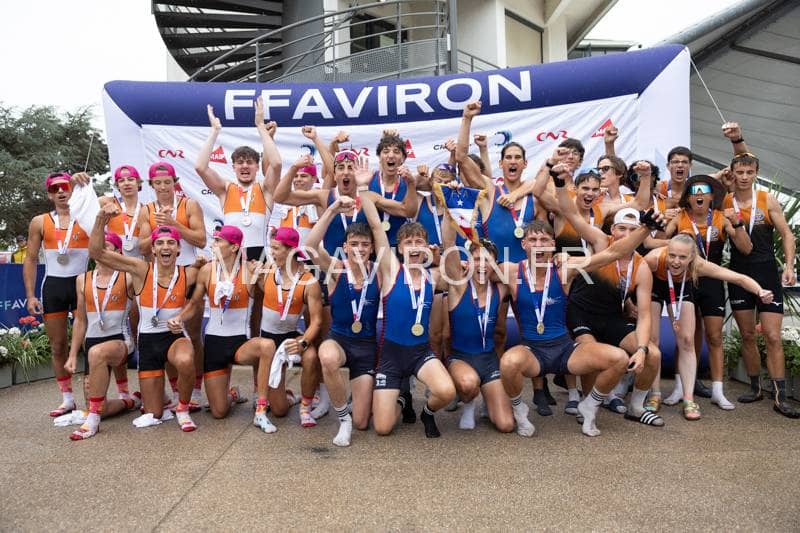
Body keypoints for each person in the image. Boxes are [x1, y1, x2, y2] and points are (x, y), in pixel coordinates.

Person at [496, 183, 664, 437]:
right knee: (508, 363)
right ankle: (520, 411)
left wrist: (646, 229)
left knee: (619, 359)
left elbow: (613, 253)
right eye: (533, 240)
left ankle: (589, 405)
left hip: (565, 349)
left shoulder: (565, 270)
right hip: (533, 351)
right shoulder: (509, 271)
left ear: (553, 245)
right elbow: (471, 268)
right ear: (524, 245)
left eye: (544, 240)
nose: (539, 245)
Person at [554, 165, 665, 427]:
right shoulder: (601, 242)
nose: (626, 235)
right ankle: (590, 402)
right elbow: (571, 213)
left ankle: (636, 407)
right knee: (594, 355)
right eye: (621, 229)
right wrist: (559, 184)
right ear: (612, 230)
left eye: (632, 230)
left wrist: (641, 348)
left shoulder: (641, 267)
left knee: (654, 355)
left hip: (611, 317)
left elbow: (645, 315)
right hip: (581, 314)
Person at [358, 168, 456, 438]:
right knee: (382, 428)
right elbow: (376, 227)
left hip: (420, 353)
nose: (414, 246)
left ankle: (427, 413)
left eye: (419, 242)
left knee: (447, 391)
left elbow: (449, 242)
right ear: (399, 248)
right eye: (408, 242)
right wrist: (363, 187)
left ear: (426, 248)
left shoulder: (434, 276)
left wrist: (449, 205)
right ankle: (402, 398)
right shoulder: (391, 270)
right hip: (390, 355)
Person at [90, 204, 199, 431]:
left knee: (186, 360)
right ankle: (157, 400)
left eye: (171, 243)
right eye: (160, 243)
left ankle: (183, 408)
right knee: (153, 413)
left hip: (174, 337)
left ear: (179, 249)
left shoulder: (190, 273)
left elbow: (196, 303)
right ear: (153, 249)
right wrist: (100, 219)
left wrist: (181, 317)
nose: (165, 247)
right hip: (148, 342)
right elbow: (97, 253)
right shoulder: (141, 269)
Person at [650, 175, 753, 411]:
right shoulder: (679, 217)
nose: (698, 196)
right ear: (688, 198)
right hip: (685, 280)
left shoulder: (720, 217)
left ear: (711, 196)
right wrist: (663, 224)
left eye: (703, 192)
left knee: (714, 336)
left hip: (710, 280)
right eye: (694, 192)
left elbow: (746, 248)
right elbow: (657, 244)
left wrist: (737, 223)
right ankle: (680, 387)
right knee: (684, 336)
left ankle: (718, 390)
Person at [643, 234, 773, 420]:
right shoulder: (654, 259)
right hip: (653, 287)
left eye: (682, 257)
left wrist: (760, 291)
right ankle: (654, 393)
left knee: (687, 341)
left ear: (692, 257)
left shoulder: (699, 265)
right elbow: (633, 280)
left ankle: (688, 399)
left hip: (681, 288)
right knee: (652, 339)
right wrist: (630, 305)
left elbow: (738, 278)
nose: (676, 262)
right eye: (672, 255)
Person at [722, 151, 798, 418]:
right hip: (739, 273)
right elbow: (741, 246)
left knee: (773, 336)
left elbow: (787, 234)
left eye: (749, 172)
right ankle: (755, 387)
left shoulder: (767, 200)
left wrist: (789, 266)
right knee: (747, 334)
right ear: (732, 173)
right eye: (739, 172)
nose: (744, 177)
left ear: (755, 174)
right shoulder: (725, 202)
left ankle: (780, 397)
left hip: (766, 272)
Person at [304, 198, 381, 446]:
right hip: (339, 339)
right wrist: (331, 210)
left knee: (363, 422)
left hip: (366, 348)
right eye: (354, 244)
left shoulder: (380, 272)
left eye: (365, 244)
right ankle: (342, 419)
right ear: (345, 247)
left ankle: (354, 408)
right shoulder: (336, 269)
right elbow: (310, 246)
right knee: (327, 357)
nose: (359, 249)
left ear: (372, 248)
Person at [170, 226, 259, 421]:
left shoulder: (250, 270)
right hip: (214, 342)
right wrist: (179, 318)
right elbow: (194, 303)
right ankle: (232, 395)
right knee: (218, 412)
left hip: (241, 342)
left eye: (218, 241)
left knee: (265, 348)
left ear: (234, 247)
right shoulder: (207, 270)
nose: (213, 244)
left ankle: (261, 396)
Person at [138, 161, 207, 411]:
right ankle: (178, 390)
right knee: (165, 335)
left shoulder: (189, 205)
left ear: (174, 182)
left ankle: (196, 389)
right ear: (151, 185)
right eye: (158, 183)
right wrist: (159, 230)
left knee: (193, 335)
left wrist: (174, 224)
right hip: (161, 280)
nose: (163, 187)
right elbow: (142, 247)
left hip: (188, 274)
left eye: (167, 182)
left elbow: (201, 239)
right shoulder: (146, 210)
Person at [439, 207, 514, 433]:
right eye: (477, 259)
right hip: (461, 358)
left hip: (489, 360)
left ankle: (488, 400)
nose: (482, 265)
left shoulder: (500, 289)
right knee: (468, 383)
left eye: (488, 261)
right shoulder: (458, 286)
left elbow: (519, 268)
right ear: (468, 261)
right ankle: (469, 404)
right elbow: (448, 243)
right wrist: (448, 210)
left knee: (506, 425)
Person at [24, 172, 91, 416]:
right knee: (58, 345)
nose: (61, 191)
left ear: (73, 189)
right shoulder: (39, 221)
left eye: (65, 186)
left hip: (81, 285)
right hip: (53, 286)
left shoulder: (86, 216)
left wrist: (84, 182)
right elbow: (31, 259)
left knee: (90, 343)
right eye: (55, 189)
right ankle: (67, 398)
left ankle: (93, 396)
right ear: (49, 195)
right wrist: (30, 295)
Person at [63, 232, 139, 440]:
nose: (99, 249)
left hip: (121, 341)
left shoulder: (128, 277)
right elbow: (80, 320)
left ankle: (92, 423)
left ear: (118, 252)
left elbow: (138, 311)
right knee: (97, 405)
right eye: (97, 245)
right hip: (93, 342)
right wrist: (72, 355)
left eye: (106, 246)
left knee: (97, 353)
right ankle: (130, 401)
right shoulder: (82, 279)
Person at [255, 227, 324, 427]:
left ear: (291, 251)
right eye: (271, 248)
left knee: (310, 356)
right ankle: (288, 397)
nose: (272, 253)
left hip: (290, 336)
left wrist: (303, 342)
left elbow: (317, 321)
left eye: (276, 248)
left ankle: (305, 407)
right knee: (279, 411)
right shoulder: (267, 270)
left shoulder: (309, 282)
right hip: (267, 340)